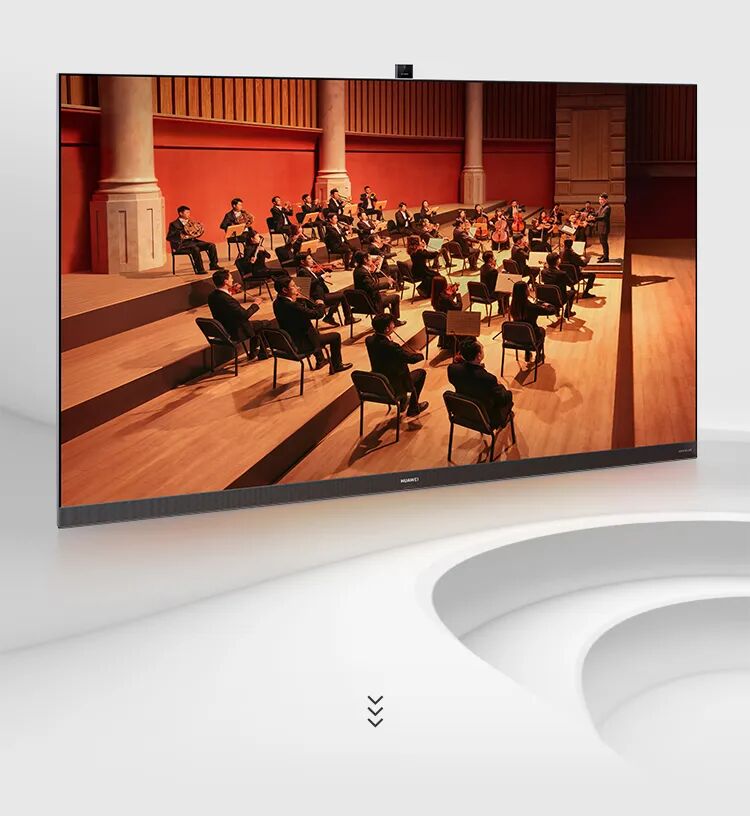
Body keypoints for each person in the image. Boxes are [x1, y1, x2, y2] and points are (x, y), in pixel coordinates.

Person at [272, 277, 352, 374]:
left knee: (314, 331)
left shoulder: (276, 303)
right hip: (303, 343)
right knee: (335, 337)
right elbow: (317, 314)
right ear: (285, 290)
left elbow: (297, 314)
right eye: (293, 286)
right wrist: (321, 304)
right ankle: (337, 365)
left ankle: (320, 360)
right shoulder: (292, 305)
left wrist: (297, 299)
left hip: (290, 340)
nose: (297, 288)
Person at [366, 313, 428, 417]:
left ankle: (404, 400)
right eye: (392, 324)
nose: (393, 325)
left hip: (380, 381)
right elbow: (410, 359)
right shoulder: (391, 346)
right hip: (395, 383)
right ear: (387, 329)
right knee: (421, 374)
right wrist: (419, 355)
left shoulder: (369, 340)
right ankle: (413, 408)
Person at [448, 339, 514, 429]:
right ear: (479, 356)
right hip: (486, 418)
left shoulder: (452, 369)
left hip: (463, 411)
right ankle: (503, 420)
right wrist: (503, 388)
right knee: (507, 397)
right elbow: (502, 399)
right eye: (482, 348)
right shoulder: (488, 379)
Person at [207, 269, 270, 360]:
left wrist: (231, 290)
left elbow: (225, 306)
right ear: (226, 281)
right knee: (265, 323)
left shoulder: (212, 296)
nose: (232, 280)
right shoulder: (226, 299)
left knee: (256, 325)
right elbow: (244, 315)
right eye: (231, 278)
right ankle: (262, 353)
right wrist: (255, 304)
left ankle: (254, 351)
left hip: (223, 327)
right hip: (234, 331)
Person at [296, 253, 358, 327]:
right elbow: (310, 284)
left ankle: (329, 317)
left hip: (320, 295)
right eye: (309, 259)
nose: (312, 260)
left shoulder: (306, 269)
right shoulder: (302, 271)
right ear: (302, 261)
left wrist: (329, 269)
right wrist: (323, 276)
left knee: (337, 297)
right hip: (317, 298)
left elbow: (315, 276)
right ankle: (348, 318)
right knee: (342, 295)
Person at [167, 206, 225, 275]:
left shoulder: (190, 222)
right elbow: (169, 237)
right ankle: (200, 269)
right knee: (195, 249)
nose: (189, 214)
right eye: (187, 212)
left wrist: (199, 229)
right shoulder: (174, 224)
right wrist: (181, 234)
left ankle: (213, 265)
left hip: (193, 242)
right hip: (182, 244)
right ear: (181, 213)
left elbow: (195, 233)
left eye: (189, 212)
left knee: (211, 245)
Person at [352, 250, 404, 324]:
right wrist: (388, 283)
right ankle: (394, 322)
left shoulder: (358, 269)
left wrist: (373, 272)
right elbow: (372, 286)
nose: (372, 259)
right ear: (365, 259)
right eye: (369, 257)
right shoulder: (362, 272)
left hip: (366, 299)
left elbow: (371, 283)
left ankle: (384, 321)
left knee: (384, 295)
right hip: (371, 302)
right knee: (395, 297)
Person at [509, 279, 555, 362]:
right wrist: (545, 304)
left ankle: (527, 353)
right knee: (541, 331)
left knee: (524, 330)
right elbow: (552, 311)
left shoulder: (512, 306)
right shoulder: (532, 307)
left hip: (517, 335)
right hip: (532, 335)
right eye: (527, 288)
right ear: (525, 292)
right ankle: (538, 354)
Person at [541, 252, 576, 319]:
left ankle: (557, 311)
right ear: (557, 261)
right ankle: (567, 313)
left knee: (554, 291)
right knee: (572, 292)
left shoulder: (543, 272)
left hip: (547, 298)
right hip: (560, 299)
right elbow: (571, 283)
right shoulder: (562, 273)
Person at [594, 193, 611, 262]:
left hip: (604, 228)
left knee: (604, 242)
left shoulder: (607, 207)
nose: (600, 201)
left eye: (601, 199)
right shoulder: (601, 206)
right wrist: (589, 214)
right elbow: (597, 213)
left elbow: (603, 217)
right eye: (599, 199)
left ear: (606, 200)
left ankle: (606, 258)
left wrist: (594, 218)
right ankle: (604, 255)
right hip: (600, 227)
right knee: (602, 242)